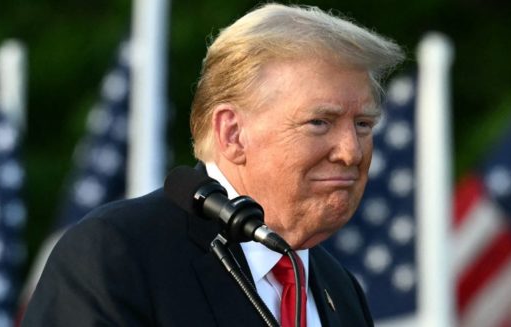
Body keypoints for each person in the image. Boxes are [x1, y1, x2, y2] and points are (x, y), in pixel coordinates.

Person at [22, 3, 404, 326]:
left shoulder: (339, 289)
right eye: (319, 122)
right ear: (233, 133)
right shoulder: (115, 254)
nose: (351, 152)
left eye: (363, 124)